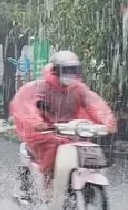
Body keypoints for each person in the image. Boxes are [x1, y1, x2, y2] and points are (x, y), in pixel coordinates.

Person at [10, 51, 116, 197]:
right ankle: (48, 181)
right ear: (56, 70)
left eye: (73, 70)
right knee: (53, 148)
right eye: (66, 70)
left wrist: (107, 122)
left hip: (71, 132)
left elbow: (95, 104)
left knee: (87, 148)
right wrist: (37, 122)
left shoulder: (78, 90)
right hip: (46, 134)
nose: (70, 74)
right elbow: (27, 105)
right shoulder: (41, 87)